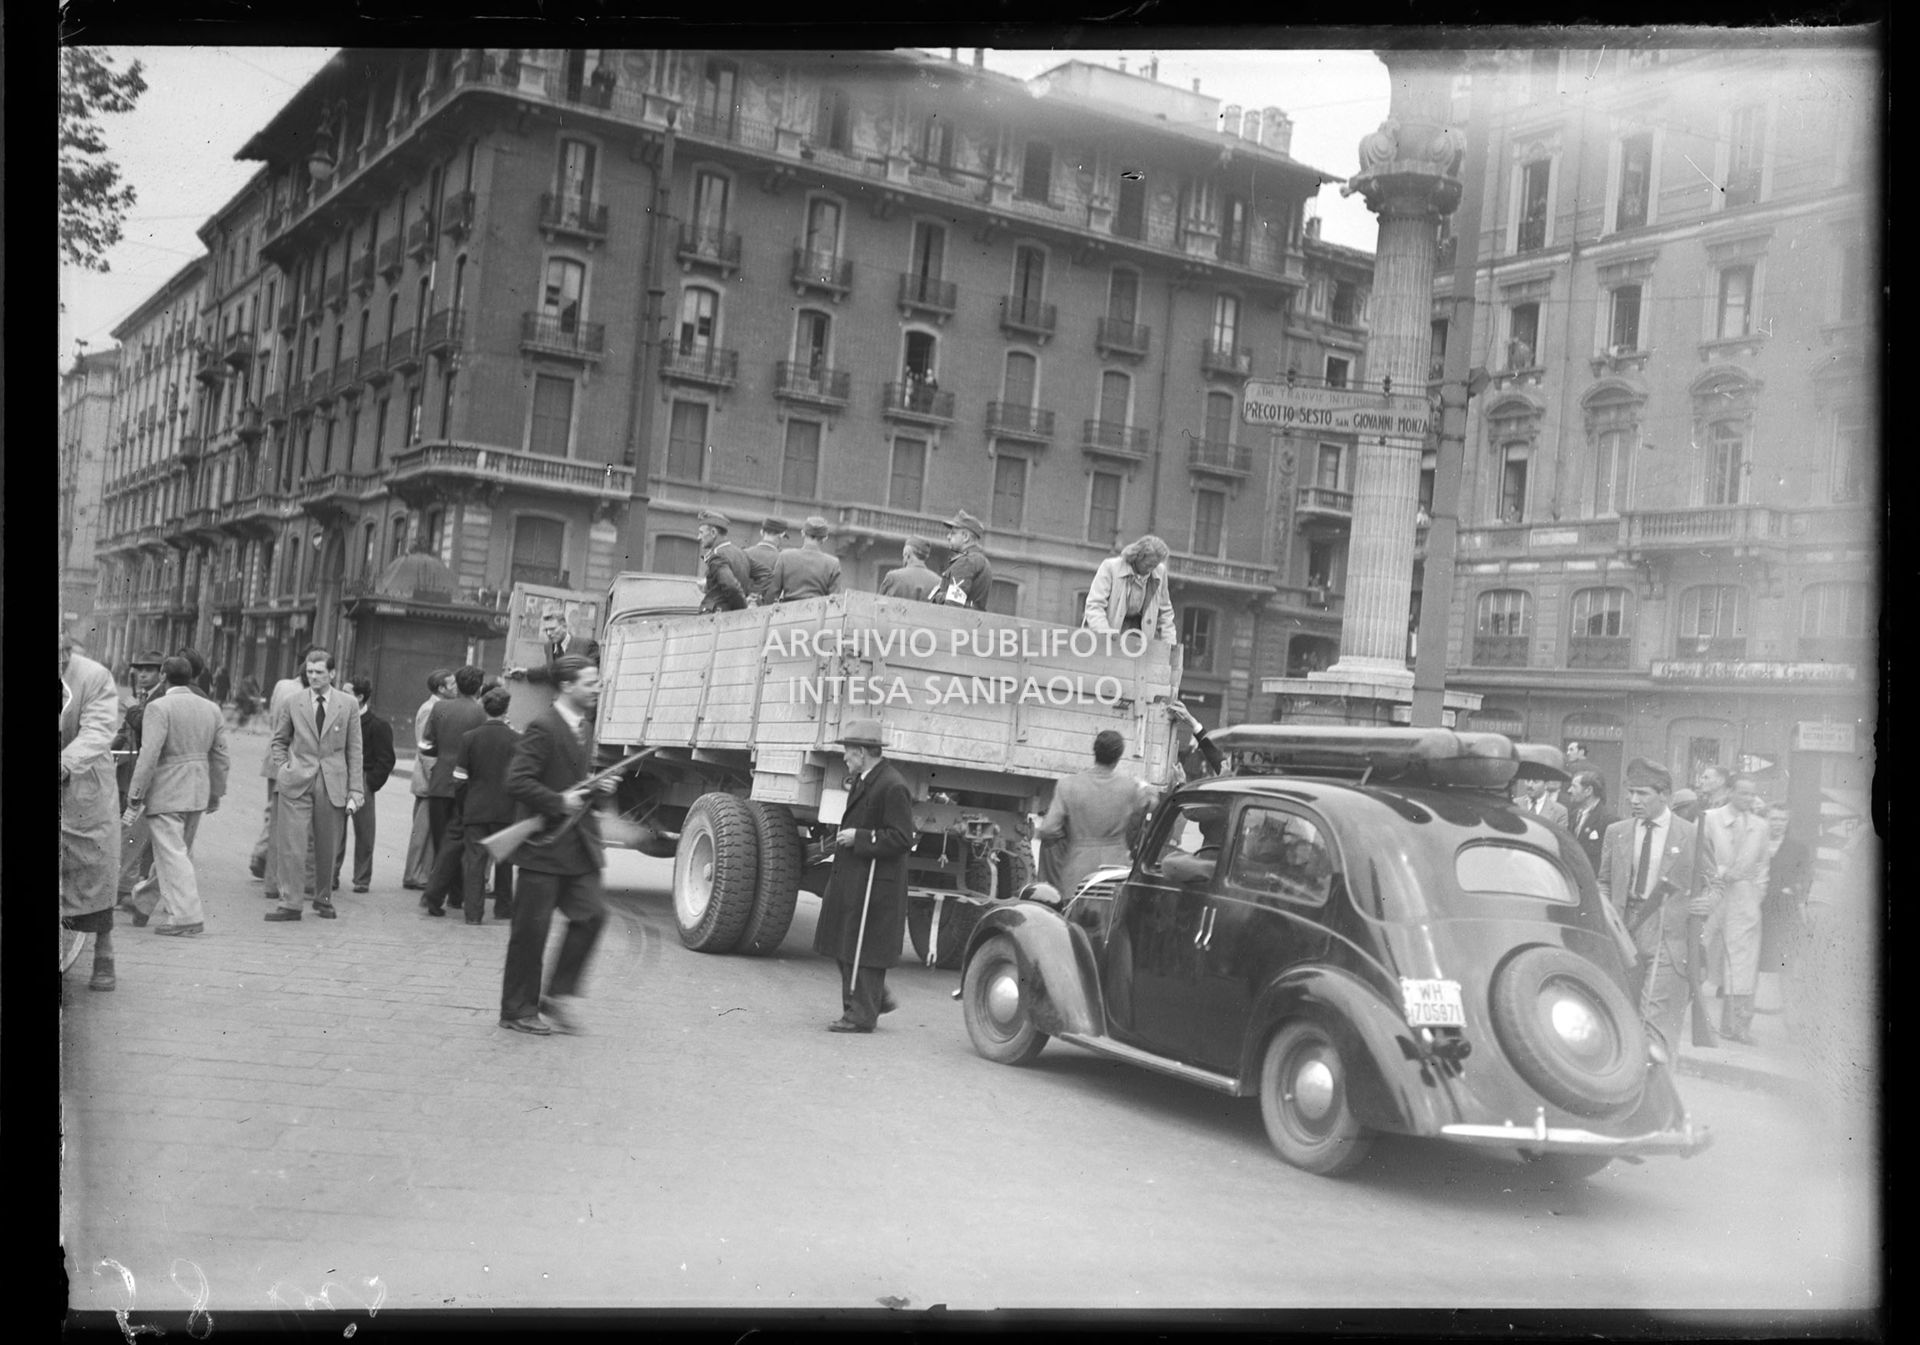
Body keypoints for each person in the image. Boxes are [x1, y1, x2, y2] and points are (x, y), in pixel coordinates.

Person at [499, 656, 617, 1035]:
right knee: (530, 934)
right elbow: (517, 781)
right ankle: (517, 1011)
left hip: (575, 847)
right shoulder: (543, 726)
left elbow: (570, 779)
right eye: (590, 682)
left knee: (592, 916)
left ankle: (554, 996)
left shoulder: (582, 726)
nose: (597, 688)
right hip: (542, 848)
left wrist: (595, 787)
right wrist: (557, 801)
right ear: (567, 686)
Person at [1595, 757, 1706, 1051]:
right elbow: (1603, 881)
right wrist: (1607, 911)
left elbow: (1714, 882)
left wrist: (1703, 904)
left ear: (1665, 796)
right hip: (1624, 929)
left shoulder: (1690, 833)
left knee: (1654, 1024)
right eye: (1631, 792)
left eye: (1642, 793)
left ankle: (1654, 1089)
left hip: (1667, 933)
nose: (1634, 800)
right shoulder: (1617, 832)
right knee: (1623, 1018)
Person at [816, 719, 915, 1033]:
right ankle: (874, 1000)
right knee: (843, 941)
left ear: (861, 752)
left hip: (875, 880)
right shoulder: (864, 779)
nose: (844, 758)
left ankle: (860, 1015)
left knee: (862, 946)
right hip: (855, 876)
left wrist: (860, 838)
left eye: (847, 752)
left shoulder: (892, 785)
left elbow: (902, 838)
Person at [123, 655, 230, 937]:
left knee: (173, 855)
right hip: (198, 790)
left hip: (167, 791)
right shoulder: (211, 708)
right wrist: (216, 792)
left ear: (163, 677)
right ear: (192, 678)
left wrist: (135, 794)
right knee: (175, 852)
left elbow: (149, 754)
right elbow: (221, 754)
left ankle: (186, 917)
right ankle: (144, 902)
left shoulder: (159, 707)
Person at [264, 646, 364, 922]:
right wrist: (284, 767)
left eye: (320, 672)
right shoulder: (293, 701)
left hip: (333, 782)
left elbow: (355, 749)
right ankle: (290, 903)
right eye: (309, 672)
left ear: (332, 673)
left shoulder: (348, 704)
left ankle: (323, 899)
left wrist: (356, 788)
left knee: (327, 845)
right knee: (292, 844)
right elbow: (279, 740)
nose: (314, 677)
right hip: (297, 779)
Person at [63, 632, 124, 992]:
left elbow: (99, 728)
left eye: (62, 652)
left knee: (94, 864)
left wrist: (65, 762)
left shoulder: (94, 676)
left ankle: (105, 950)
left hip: (83, 784)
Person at [1697, 772, 1770, 1044]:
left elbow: (1763, 866)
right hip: (1712, 896)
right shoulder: (1710, 819)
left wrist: (1756, 894)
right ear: (1731, 793)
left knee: (1742, 964)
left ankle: (1736, 1026)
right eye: (1743, 793)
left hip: (1743, 899)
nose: (1748, 798)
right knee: (1696, 950)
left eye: (1752, 794)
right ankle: (1678, 1013)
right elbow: (1698, 856)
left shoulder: (1760, 826)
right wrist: (1717, 875)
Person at [1036, 729, 1150, 900]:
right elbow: (1150, 802)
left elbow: (1049, 829)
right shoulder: (1129, 787)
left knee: (1073, 923)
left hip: (1077, 872)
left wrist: (1066, 833)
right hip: (1114, 872)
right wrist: (1144, 785)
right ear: (1119, 756)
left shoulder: (1067, 785)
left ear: (1094, 752)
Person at [420, 665, 489, 916]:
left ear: (457, 685)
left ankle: (439, 890)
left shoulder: (439, 708)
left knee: (442, 842)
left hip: (439, 783)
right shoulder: (482, 713)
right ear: (479, 687)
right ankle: (456, 895)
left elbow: (425, 745)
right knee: (462, 843)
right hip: (467, 786)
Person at [454, 685, 521, 924]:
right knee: (505, 861)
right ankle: (503, 908)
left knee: (474, 861)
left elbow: (460, 779)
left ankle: (473, 914)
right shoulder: (518, 740)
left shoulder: (469, 738)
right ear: (506, 710)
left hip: (476, 808)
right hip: (506, 811)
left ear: (484, 707)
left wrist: (464, 806)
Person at [111, 649, 167, 916]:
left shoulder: (161, 696)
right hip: (129, 771)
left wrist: (133, 707)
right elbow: (126, 729)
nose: (142, 673)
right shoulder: (143, 694)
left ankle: (130, 888)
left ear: (161, 673)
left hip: (148, 775)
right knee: (130, 828)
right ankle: (128, 886)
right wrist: (110, 750)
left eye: (149, 669)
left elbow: (147, 727)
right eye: (140, 669)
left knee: (135, 831)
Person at [252, 670, 313, 905]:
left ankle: (267, 870)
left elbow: (272, 721)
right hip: (293, 764)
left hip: (276, 760)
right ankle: (268, 865)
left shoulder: (281, 686)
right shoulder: (303, 700)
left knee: (274, 815)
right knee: (287, 824)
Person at [335, 676, 395, 894]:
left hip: (363, 780)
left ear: (359, 697)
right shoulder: (337, 719)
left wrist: (370, 784)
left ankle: (361, 880)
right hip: (338, 778)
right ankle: (331, 875)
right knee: (335, 831)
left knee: (364, 833)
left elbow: (386, 759)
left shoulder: (377, 725)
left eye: (346, 692)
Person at [404, 668, 456, 889]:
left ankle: (422, 874)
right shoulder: (429, 709)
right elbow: (425, 747)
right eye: (451, 684)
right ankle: (414, 875)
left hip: (433, 781)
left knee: (429, 833)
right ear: (441, 688)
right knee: (422, 833)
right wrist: (435, 777)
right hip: (429, 782)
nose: (455, 687)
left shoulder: (440, 707)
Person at [1083, 535, 1177, 642]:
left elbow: (1165, 613)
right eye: (1148, 565)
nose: (1151, 569)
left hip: (1138, 635)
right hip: (1108, 631)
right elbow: (1095, 605)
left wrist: (1170, 643)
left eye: (1154, 566)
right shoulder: (1111, 567)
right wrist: (1105, 632)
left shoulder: (1160, 572)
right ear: (1138, 557)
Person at [1758, 802, 1812, 981]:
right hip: (1757, 905)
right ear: (1766, 819)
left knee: (1780, 954)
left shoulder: (1798, 848)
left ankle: (1778, 998)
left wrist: (1794, 893)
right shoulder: (1756, 843)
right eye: (1773, 818)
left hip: (1783, 909)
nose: (1778, 823)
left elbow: (1805, 877)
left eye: (1782, 819)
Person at [506, 604, 601, 684]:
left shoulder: (587, 646)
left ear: (564, 626)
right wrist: (526, 671)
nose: (549, 633)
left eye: (552, 629)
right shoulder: (548, 647)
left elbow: (593, 676)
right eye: (546, 630)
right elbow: (550, 669)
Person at [766, 515, 842, 602]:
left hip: (787, 612)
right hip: (818, 613)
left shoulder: (785, 556)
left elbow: (771, 593)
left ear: (802, 533)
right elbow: (834, 599)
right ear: (825, 538)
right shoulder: (833, 563)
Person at [931, 510, 992, 610]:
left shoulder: (966, 562)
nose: (948, 537)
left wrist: (939, 597)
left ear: (965, 537)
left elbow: (952, 606)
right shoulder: (980, 560)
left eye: (953, 533)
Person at [696, 508, 752, 613]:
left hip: (717, 617)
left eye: (701, 532)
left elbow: (731, 586)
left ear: (713, 532)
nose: (699, 537)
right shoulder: (740, 553)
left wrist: (742, 610)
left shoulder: (718, 556)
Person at [1564, 767, 1617, 875]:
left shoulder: (1608, 820)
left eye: (1574, 787)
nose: (1569, 791)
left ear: (1588, 791)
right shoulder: (1573, 816)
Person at [742, 516, 791, 606]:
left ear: (762, 532)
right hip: (764, 611)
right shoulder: (782, 558)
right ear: (781, 535)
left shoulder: (744, 553)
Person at [878, 538, 942, 602]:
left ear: (907, 554)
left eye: (903, 555)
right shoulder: (938, 582)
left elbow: (878, 606)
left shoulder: (893, 577)